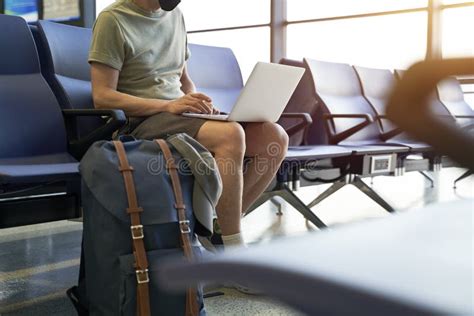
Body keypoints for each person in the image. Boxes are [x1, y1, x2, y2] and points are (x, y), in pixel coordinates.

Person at [89, 0, 288, 251]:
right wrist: (166, 106)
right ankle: (235, 252)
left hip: (178, 115)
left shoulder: (176, 16)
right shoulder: (112, 20)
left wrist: (197, 102)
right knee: (231, 135)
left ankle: (219, 229)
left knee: (274, 137)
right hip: (139, 122)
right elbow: (102, 96)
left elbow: (184, 80)